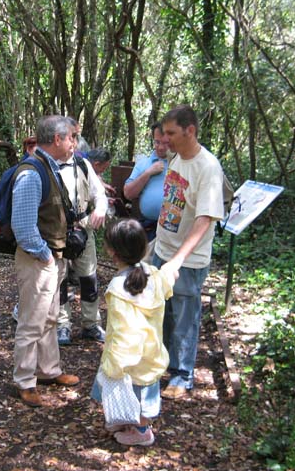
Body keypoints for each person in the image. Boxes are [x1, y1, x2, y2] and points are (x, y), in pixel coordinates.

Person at [149, 105, 225, 400]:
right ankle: (165, 365)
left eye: (170, 133)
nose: (164, 139)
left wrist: (178, 260)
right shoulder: (177, 156)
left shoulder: (208, 167)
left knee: (184, 316)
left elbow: (205, 219)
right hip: (163, 249)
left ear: (189, 130)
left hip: (187, 260)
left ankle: (183, 375)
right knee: (163, 313)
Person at [11, 115, 80, 407]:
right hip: (39, 260)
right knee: (31, 322)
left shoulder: (50, 168)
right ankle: (25, 381)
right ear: (57, 139)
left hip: (52, 258)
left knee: (50, 318)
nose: (75, 143)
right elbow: (24, 228)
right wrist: (45, 255)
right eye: (72, 137)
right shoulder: (31, 173)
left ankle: (49, 370)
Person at [91, 218, 176, 446]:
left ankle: (141, 432)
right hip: (151, 353)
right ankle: (130, 421)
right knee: (141, 392)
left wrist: (116, 364)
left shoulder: (118, 288)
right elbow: (167, 282)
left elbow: (122, 331)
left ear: (112, 252)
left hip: (128, 359)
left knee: (131, 391)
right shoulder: (154, 275)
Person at [55, 119, 108, 345]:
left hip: (84, 231)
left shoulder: (83, 165)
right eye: (71, 137)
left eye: (76, 138)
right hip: (56, 235)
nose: (75, 143)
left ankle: (91, 324)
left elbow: (100, 195)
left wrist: (101, 210)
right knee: (60, 281)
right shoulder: (45, 166)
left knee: (89, 278)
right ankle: (61, 326)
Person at [123, 122, 170, 240]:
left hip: (172, 229)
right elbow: (128, 193)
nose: (160, 147)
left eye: (166, 143)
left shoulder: (180, 163)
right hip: (148, 227)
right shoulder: (144, 164)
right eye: (157, 142)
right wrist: (148, 173)